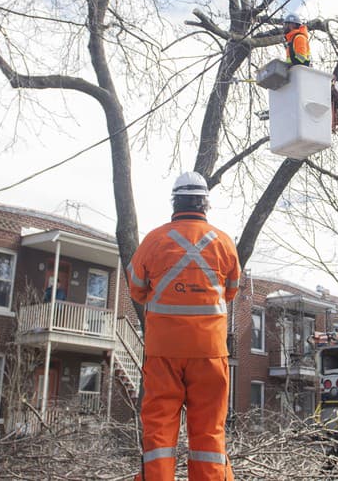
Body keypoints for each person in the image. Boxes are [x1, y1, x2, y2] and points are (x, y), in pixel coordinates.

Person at [129, 171, 241, 481]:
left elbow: (136, 289)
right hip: (210, 352)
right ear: (205, 204)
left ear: (174, 203)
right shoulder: (224, 243)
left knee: (159, 434)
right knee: (208, 434)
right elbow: (230, 291)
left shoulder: (153, 240)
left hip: (163, 352)